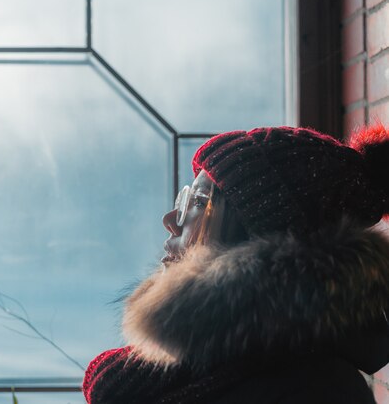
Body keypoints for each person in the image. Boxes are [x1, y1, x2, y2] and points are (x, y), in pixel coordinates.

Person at [83, 124, 389, 403]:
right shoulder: (220, 369)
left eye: (199, 202)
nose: (170, 221)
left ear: (257, 237)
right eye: (184, 200)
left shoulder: (318, 390)